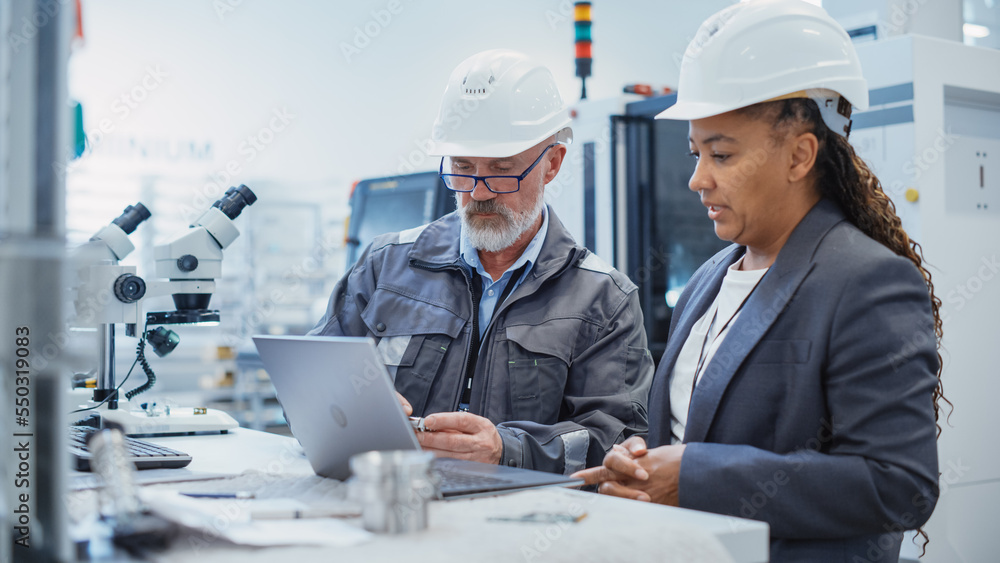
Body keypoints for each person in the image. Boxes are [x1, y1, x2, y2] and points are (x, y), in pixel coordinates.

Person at [573, 1, 945, 561]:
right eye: (697, 152)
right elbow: (689, 433)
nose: (698, 179)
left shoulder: (869, 282)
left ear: (800, 155)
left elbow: (900, 484)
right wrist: (643, 458)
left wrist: (696, 476)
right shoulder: (707, 282)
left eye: (721, 153)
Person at [310, 49, 653, 475]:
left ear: (552, 164)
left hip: (524, 527)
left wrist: (508, 450)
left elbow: (616, 440)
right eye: (463, 167)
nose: (479, 191)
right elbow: (309, 385)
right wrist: (350, 404)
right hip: (397, 505)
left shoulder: (604, 300)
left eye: (502, 170)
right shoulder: (386, 267)